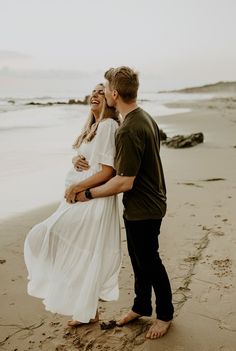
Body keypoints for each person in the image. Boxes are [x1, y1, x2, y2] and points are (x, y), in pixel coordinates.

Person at [66, 67, 174, 339]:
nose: (102, 93)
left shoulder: (128, 128)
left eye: (105, 89)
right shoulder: (143, 117)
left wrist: (86, 193)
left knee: (150, 262)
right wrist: (81, 162)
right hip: (149, 202)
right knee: (139, 260)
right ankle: (140, 306)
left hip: (144, 206)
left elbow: (124, 181)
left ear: (114, 94)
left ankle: (165, 315)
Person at [24, 83, 122, 326]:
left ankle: (87, 306)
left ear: (111, 98)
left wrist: (77, 187)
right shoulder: (93, 126)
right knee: (78, 248)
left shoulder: (109, 126)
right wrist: (76, 158)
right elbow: (92, 160)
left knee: (48, 235)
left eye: (101, 91)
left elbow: (108, 171)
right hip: (77, 200)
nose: (95, 95)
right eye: (93, 91)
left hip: (92, 199)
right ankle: (88, 309)